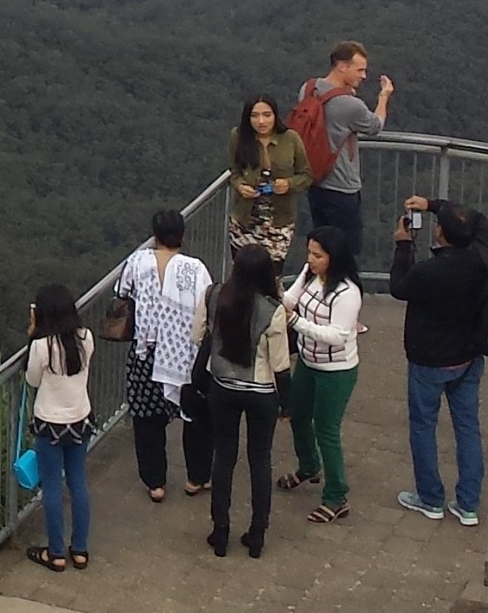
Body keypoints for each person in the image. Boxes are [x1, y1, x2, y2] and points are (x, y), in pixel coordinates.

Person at [391, 196, 488, 525]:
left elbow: (398, 287)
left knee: (423, 426)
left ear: (441, 235)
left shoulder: (428, 271)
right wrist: (435, 205)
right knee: (467, 428)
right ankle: (468, 505)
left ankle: (431, 499)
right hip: (467, 357)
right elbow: (479, 219)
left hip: (429, 360)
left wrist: (403, 246)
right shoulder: (481, 259)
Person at [198, 241, 291, 557]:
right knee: (259, 459)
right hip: (261, 391)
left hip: (222, 386)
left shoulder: (214, 296)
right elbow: (280, 364)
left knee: (223, 457)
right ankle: (257, 533)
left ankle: (220, 530)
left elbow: (199, 337)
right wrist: (286, 404)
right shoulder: (272, 311)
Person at [118, 207, 216, 501]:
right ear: (182, 235)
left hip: (145, 351)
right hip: (185, 353)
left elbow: (121, 293)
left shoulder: (137, 261)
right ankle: (196, 478)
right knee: (195, 415)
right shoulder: (195, 268)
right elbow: (207, 303)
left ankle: (156, 483)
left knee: (146, 419)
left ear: (154, 235)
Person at [279, 224, 362, 523]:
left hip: (336, 370)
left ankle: (337, 495)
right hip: (308, 361)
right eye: (310, 253)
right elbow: (289, 299)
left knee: (327, 430)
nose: (311, 259)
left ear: (334, 257)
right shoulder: (310, 275)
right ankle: (309, 466)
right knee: (298, 415)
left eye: (318, 255)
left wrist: (296, 322)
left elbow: (338, 334)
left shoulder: (347, 293)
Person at [25, 282, 95, 572]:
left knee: (52, 487)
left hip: (50, 424)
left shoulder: (43, 346)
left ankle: (54, 553)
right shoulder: (86, 337)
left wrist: (32, 334)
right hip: (80, 419)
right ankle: (79, 550)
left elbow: (32, 380)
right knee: (78, 483)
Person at [293, 43, 390, 251]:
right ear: (342, 66)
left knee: (320, 249)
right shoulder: (350, 105)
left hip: (314, 181)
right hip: (342, 187)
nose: (364, 76)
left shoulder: (308, 88)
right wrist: (384, 97)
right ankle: (346, 284)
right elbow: (375, 126)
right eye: (360, 69)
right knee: (346, 251)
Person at [227, 95, 313, 267]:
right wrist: (240, 186)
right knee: (243, 273)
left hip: (279, 221)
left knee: (272, 274)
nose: (261, 121)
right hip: (245, 219)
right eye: (255, 116)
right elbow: (234, 171)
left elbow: (306, 175)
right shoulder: (238, 136)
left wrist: (288, 184)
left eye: (267, 115)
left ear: (275, 116)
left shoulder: (291, 139)